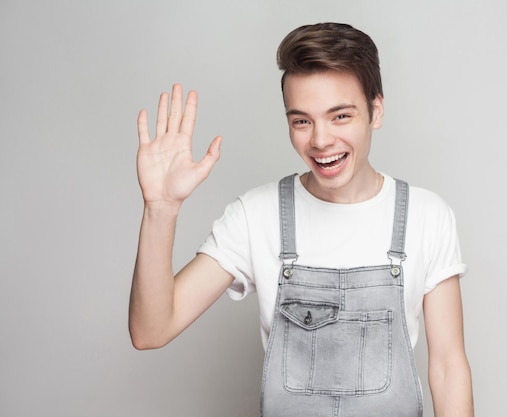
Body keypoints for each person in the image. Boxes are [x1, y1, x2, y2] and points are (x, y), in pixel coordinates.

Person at [130, 22, 474, 417]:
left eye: (340, 116)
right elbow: (150, 330)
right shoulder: (255, 215)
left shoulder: (427, 217)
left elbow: (448, 368)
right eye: (301, 121)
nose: (320, 140)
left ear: (375, 111)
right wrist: (161, 209)